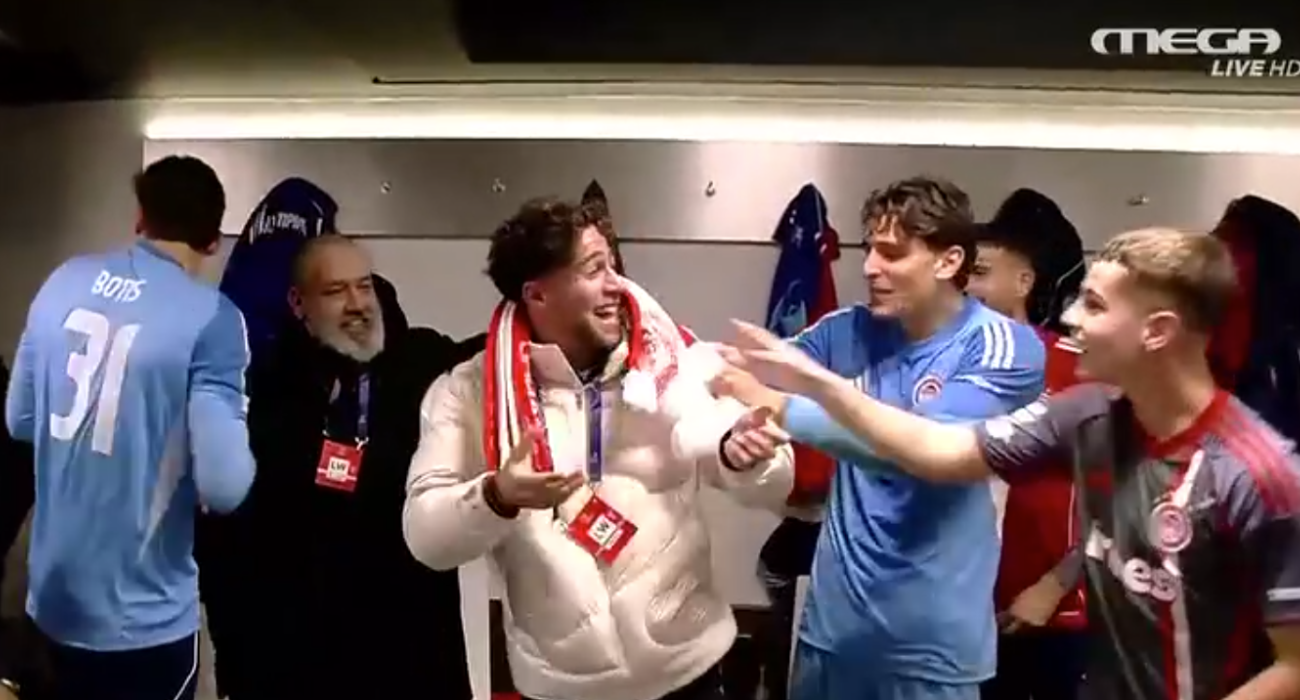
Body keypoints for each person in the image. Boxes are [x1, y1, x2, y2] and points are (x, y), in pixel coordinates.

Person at [725, 227, 1300, 700]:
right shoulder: (1086, 414)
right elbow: (940, 451)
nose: (1071, 318)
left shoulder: (1260, 475)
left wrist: (810, 388)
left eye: (1095, 305)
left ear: (1158, 332)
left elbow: (1294, 667)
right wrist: (814, 388)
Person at [402, 197, 795, 700]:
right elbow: (426, 539)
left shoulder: (673, 361)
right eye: (594, 270)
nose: (617, 285)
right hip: (562, 687)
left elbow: (776, 482)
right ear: (537, 294)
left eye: (613, 265)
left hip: (688, 671)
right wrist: (497, 496)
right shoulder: (470, 393)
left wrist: (747, 457)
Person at [711, 177, 1046, 700]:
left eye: (891, 253)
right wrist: (739, 437)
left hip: (931, 653)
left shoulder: (1003, 347)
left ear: (948, 261)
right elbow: (747, 382)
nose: (869, 267)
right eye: (869, 249)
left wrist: (784, 406)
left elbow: (926, 451)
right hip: (830, 636)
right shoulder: (846, 330)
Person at [5, 155, 255, 700]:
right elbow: (225, 486)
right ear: (213, 240)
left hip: (50, 609)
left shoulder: (63, 281)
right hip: (143, 625)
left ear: (140, 217)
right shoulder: (214, 319)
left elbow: (20, 419)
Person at [196, 235, 484, 700]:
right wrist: (234, 658)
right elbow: (225, 541)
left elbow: (500, 352)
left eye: (364, 286)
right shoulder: (265, 392)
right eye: (335, 291)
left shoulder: (424, 365)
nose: (357, 304)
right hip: (299, 659)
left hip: (411, 649)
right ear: (298, 303)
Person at [965, 199, 1088, 700]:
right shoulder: (939, 366)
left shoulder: (1079, 368)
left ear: (1023, 282)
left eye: (980, 272)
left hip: (1053, 612)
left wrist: (1054, 587)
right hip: (956, 612)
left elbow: (1126, 493)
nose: (966, 285)